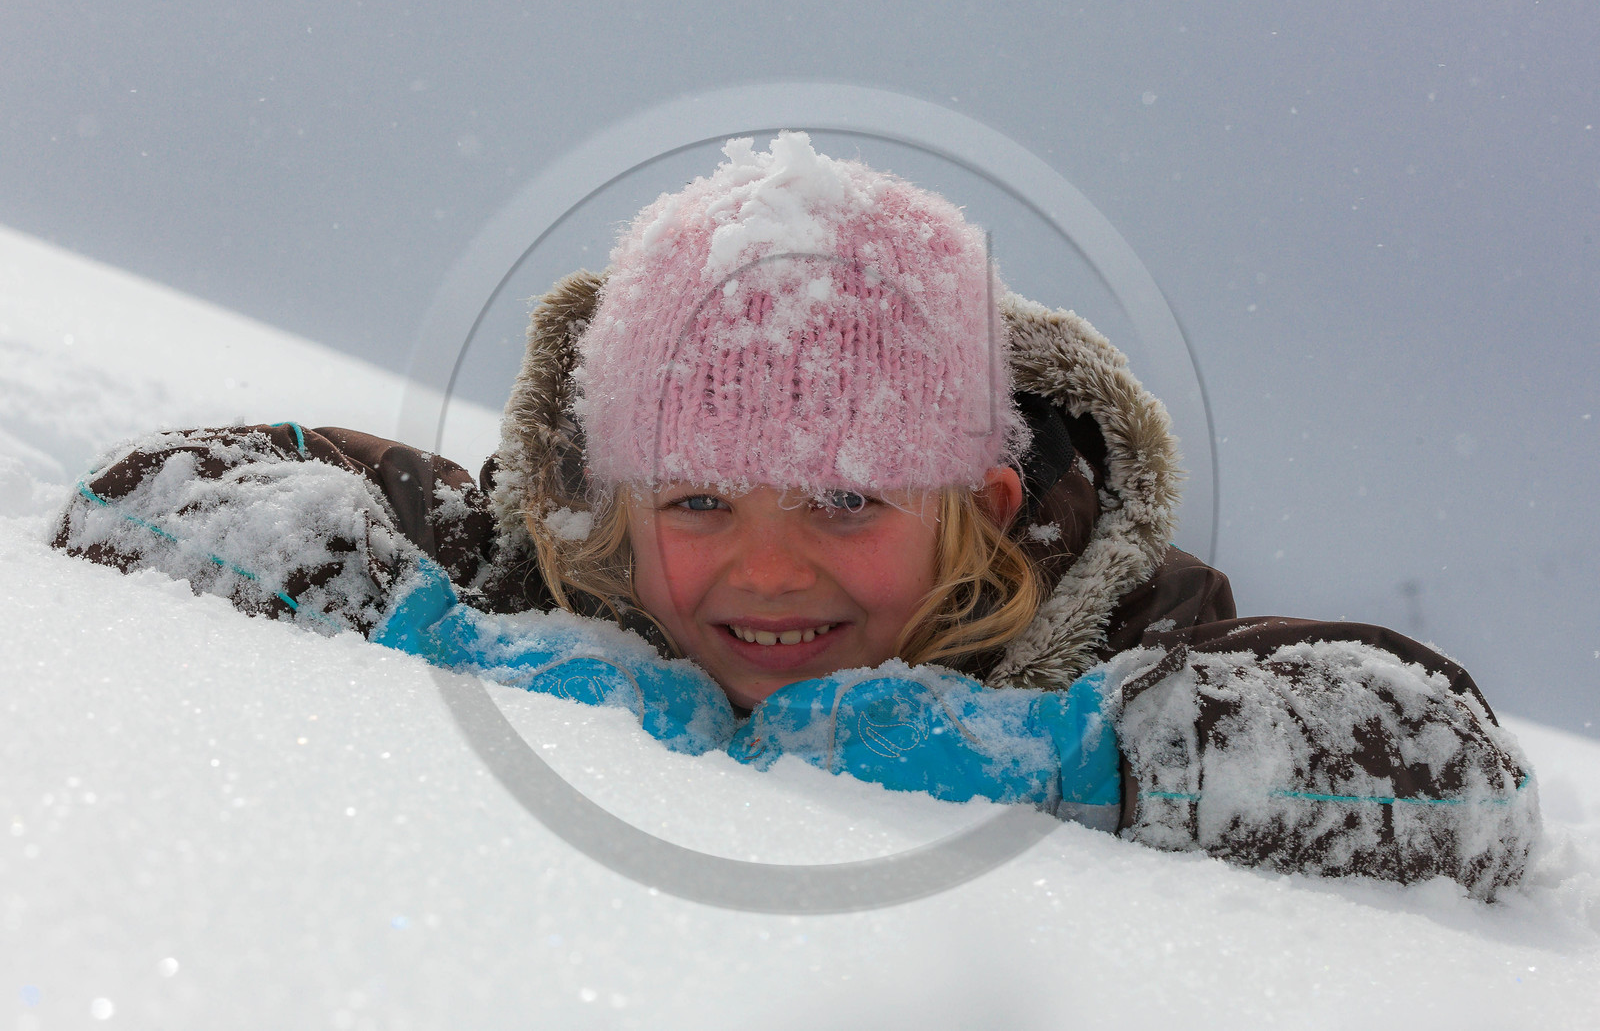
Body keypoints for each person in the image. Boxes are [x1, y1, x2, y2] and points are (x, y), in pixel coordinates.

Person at [52, 133, 1538, 898]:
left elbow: (1452, 785)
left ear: (985, 503)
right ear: (613, 500)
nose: (769, 564)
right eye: (698, 496)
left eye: (845, 495)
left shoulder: (1112, 631)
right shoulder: (523, 559)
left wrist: (1070, 759)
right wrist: (438, 634)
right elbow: (147, 500)